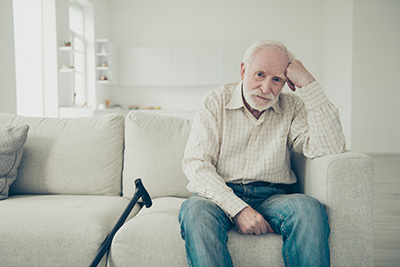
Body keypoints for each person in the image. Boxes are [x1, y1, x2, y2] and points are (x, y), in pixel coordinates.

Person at [178, 39, 346, 267]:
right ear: (243, 70)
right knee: (195, 210)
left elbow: (331, 146)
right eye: (260, 75)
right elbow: (196, 163)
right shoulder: (215, 101)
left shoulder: (293, 107)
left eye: (277, 80)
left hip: (273, 196)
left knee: (308, 208)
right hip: (220, 194)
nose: (266, 89)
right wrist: (238, 210)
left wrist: (309, 84)